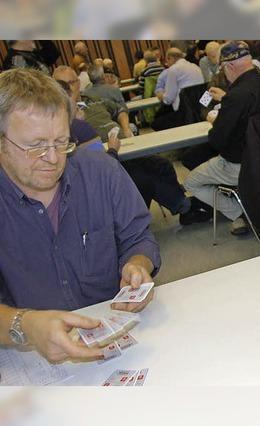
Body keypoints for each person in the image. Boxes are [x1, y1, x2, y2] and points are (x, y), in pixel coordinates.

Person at [0, 68, 161, 362]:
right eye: (35, 146)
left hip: (117, 336)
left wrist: (138, 264)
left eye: (62, 142)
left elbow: (138, 237)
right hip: (28, 354)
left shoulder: (102, 172)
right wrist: (25, 325)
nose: (52, 158)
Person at [53, 66, 192, 218]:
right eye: (63, 84)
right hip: (107, 159)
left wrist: (125, 128)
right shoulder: (61, 116)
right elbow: (93, 164)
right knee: (143, 178)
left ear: (79, 82)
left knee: (161, 163)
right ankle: (178, 208)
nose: (68, 88)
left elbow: (120, 109)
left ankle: (182, 206)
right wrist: (76, 122)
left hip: (123, 148)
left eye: (71, 82)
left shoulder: (92, 100)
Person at [182, 41, 260, 232]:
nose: (214, 61)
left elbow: (218, 139)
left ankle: (240, 212)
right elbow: (202, 106)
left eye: (216, 58)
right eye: (211, 56)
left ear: (227, 64)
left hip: (246, 159)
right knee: (193, 156)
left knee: (192, 177)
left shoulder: (236, 93)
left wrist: (224, 103)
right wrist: (209, 114)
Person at [151, 47, 204, 131]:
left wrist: (161, 96)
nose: (167, 64)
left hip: (183, 113)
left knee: (156, 122)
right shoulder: (196, 67)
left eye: (167, 61)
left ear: (171, 58)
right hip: (200, 111)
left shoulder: (173, 70)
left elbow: (168, 99)